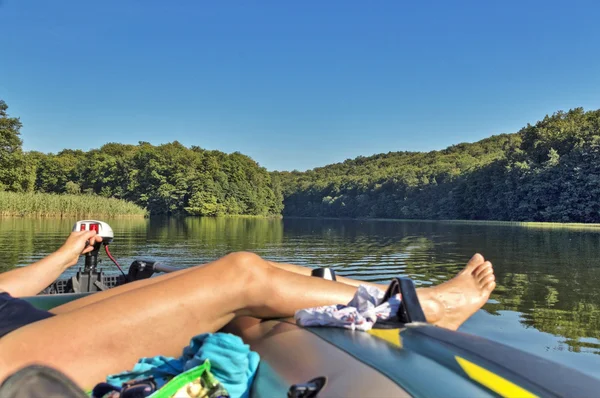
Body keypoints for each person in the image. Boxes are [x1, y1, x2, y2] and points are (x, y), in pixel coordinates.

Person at [0, 230, 496, 389]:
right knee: (240, 275)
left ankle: (382, 295)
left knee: (266, 267)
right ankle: (417, 304)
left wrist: (69, 252)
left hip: (19, 323)